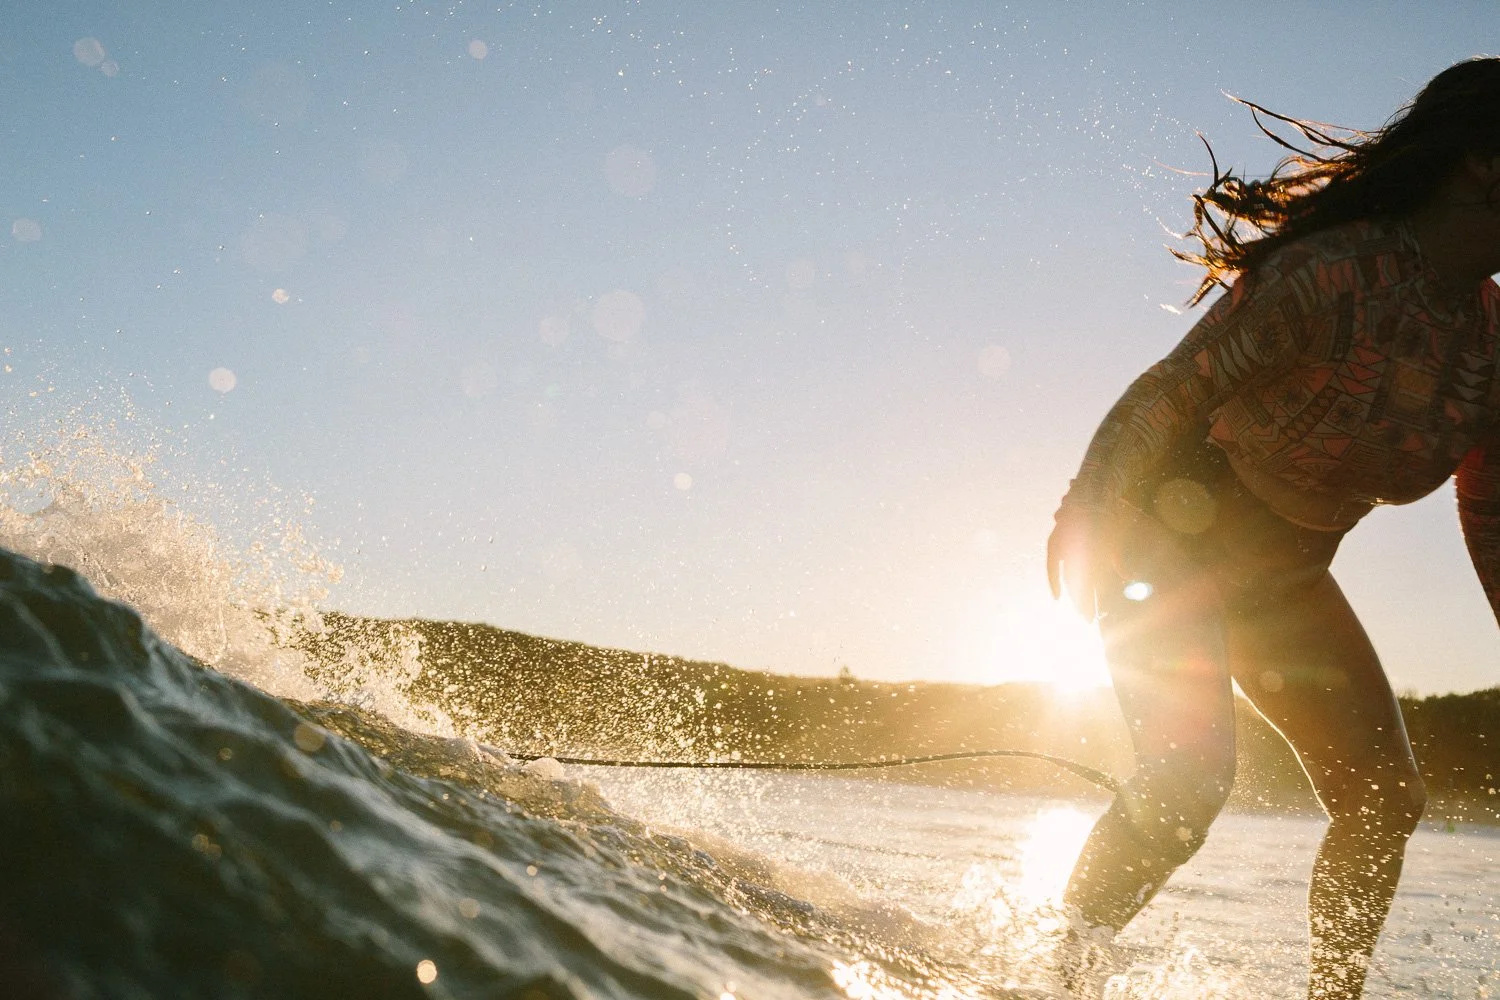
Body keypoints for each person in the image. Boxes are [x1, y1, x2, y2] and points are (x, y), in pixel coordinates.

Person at [1047, 57, 1500, 999]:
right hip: (1169, 541)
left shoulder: (1492, 344)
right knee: (1186, 782)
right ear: (1484, 165)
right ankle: (1061, 977)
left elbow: (1488, 504)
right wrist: (1088, 512)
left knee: (1385, 803)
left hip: (1284, 578)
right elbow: (1168, 396)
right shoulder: (1329, 277)